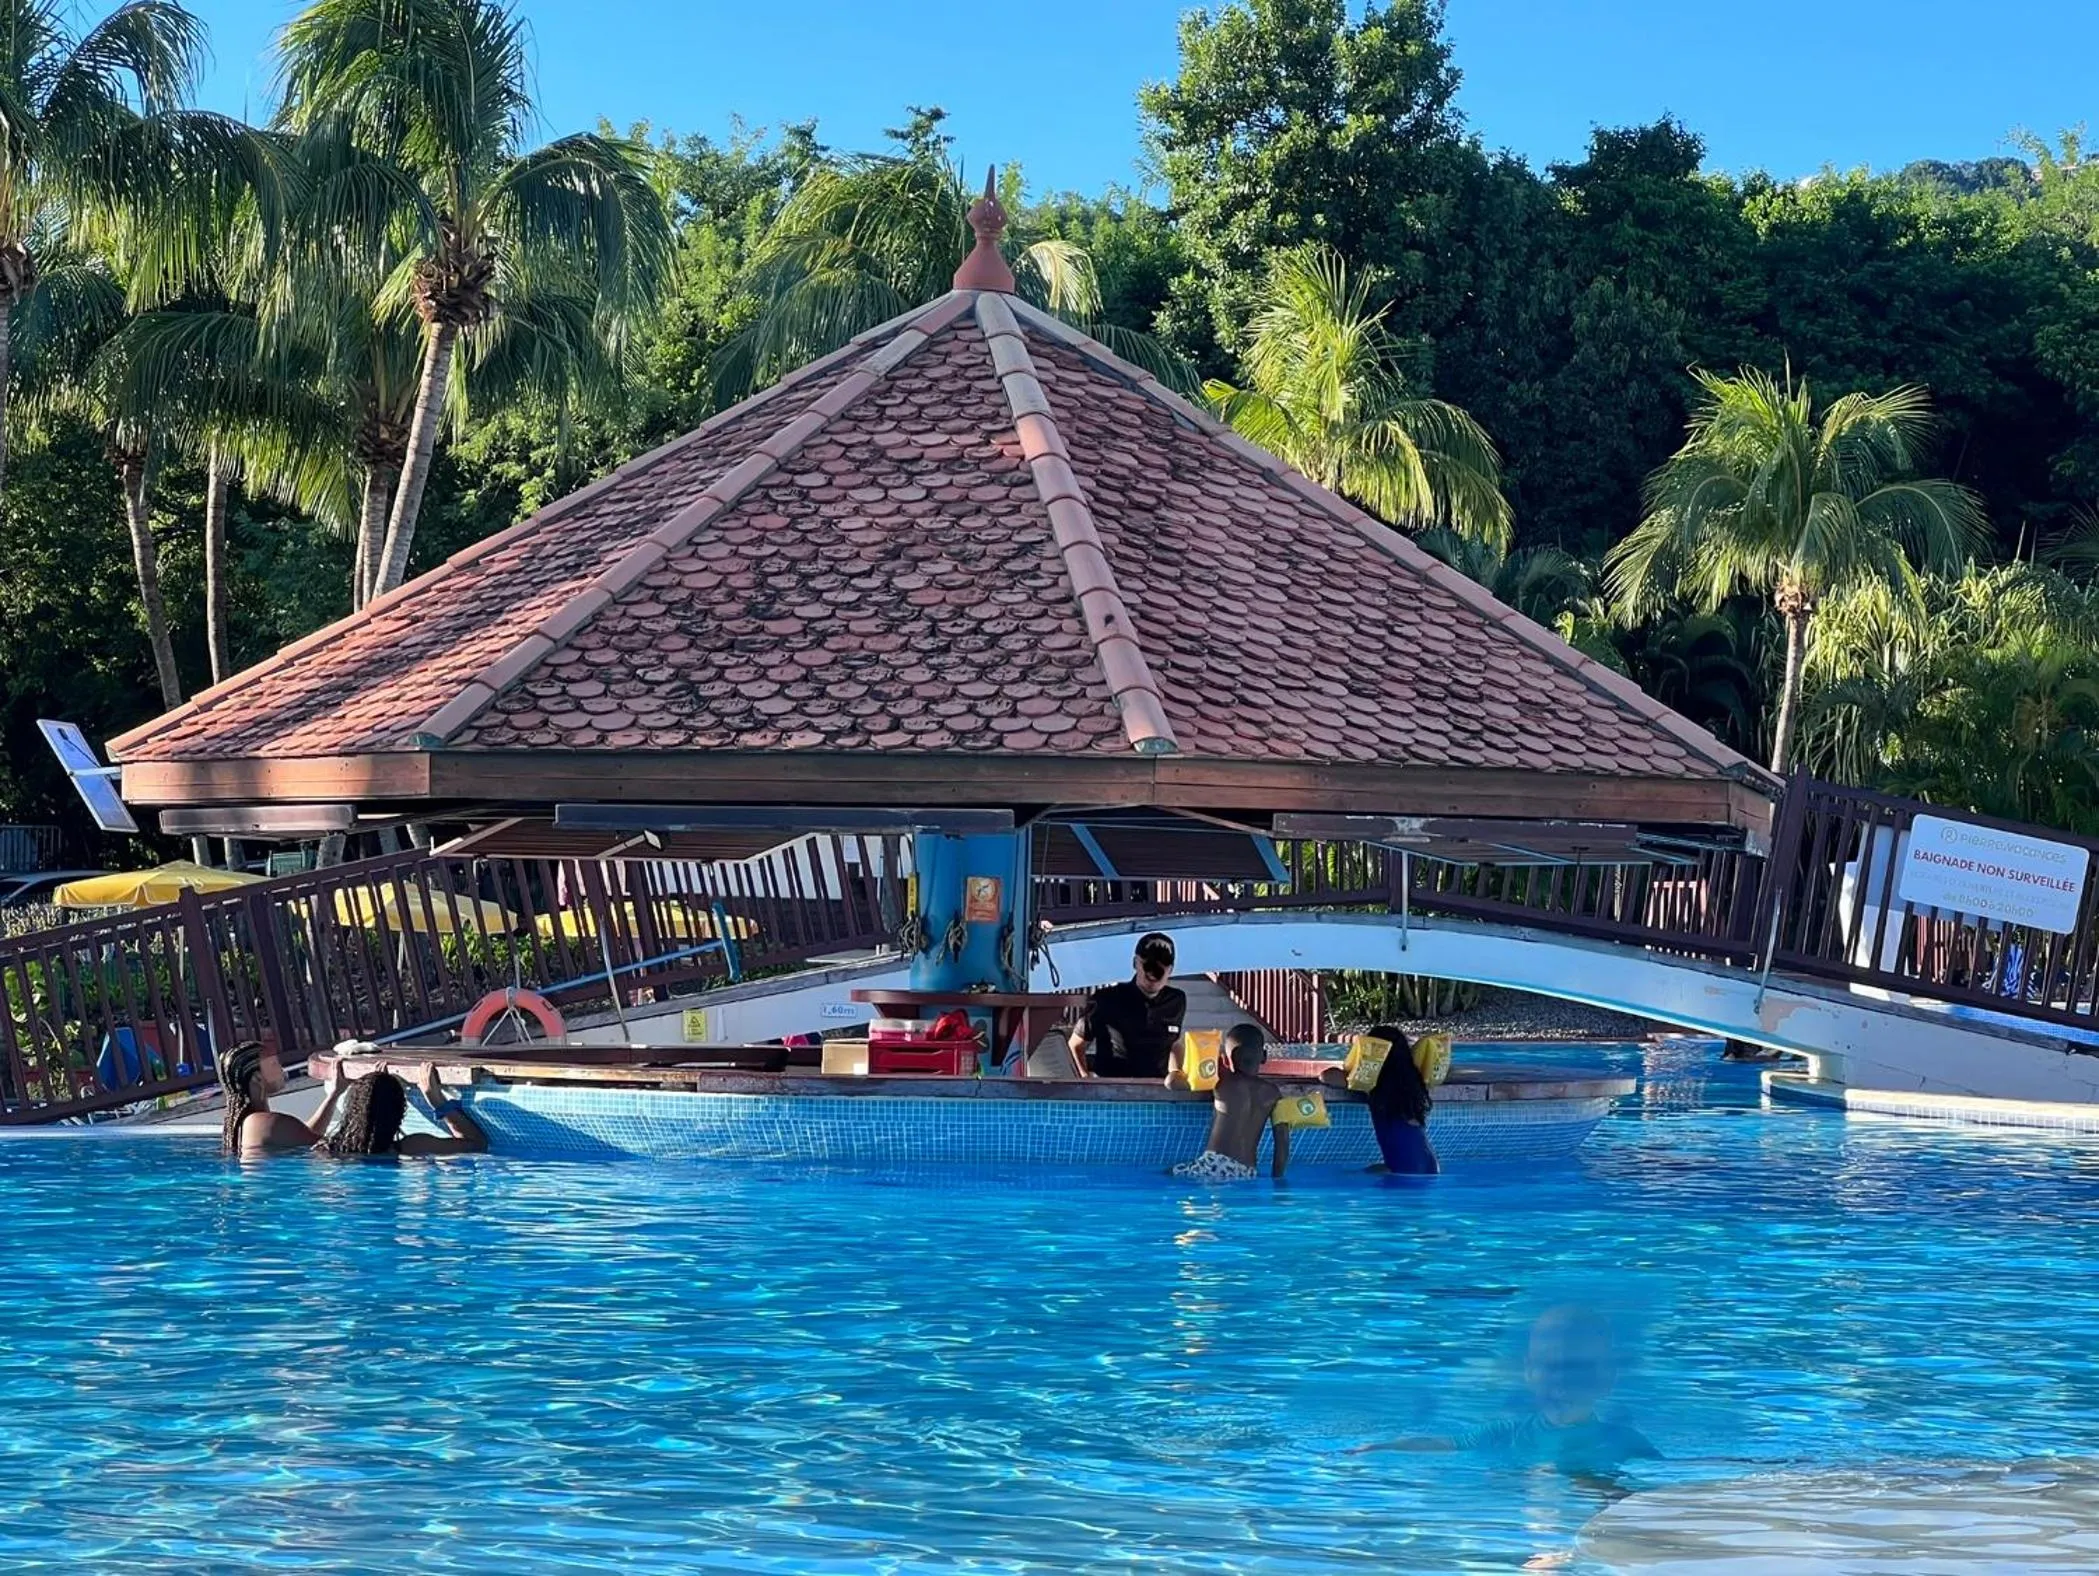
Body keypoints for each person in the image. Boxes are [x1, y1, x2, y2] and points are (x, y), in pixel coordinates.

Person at [1353, 1306, 1657, 1481]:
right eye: (1551, 1367)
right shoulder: (1505, 1433)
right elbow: (1444, 1444)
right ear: (1530, 1373)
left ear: (1607, 1378)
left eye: (1578, 1369)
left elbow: (1663, 1480)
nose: (1563, 1381)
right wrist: (1382, 1446)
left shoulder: (1623, 1440)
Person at [1171, 1023, 1287, 1182]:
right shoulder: (1273, 1093)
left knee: (1166, 1174)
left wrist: (1175, 1072)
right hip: (1248, 1171)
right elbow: (1282, 1144)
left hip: (1215, 1164)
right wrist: (1277, 1180)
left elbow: (1172, 1083)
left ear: (1226, 1059)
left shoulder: (1223, 1079)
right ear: (1264, 1056)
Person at [1323, 1023, 1439, 1175]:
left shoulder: (1374, 1083)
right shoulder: (1413, 1083)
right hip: (1430, 1165)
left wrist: (1354, 1066)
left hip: (1405, 1170)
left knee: (1344, 1177)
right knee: (1366, 1172)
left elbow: (1326, 1076)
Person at [1068, 931, 1186, 1079]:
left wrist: (1176, 1074)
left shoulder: (1176, 1001)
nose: (1155, 970)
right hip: (1114, 1091)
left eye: (1163, 963)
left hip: (1156, 1091)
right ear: (1135, 963)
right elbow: (1075, 1045)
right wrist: (1085, 1080)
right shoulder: (1106, 999)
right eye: (1148, 963)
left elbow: (1174, 1043)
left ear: (1171, 969)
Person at [322, 1063, 489, 1158]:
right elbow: (477, 1144)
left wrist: (334, 1094)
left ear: (350, 1107)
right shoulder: (412, 1147)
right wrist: (436, 1101)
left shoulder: (325, 1150)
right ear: (401, 1112)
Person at [219, 1040, 348, 1158]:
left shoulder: (250, 1122)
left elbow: (306, 1134)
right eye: (274, 1063)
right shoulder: (269, 1123)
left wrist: (334, 1094)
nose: (282, 1068)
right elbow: (333, 1148)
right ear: (257, 1077)